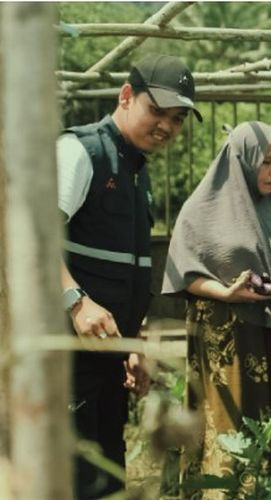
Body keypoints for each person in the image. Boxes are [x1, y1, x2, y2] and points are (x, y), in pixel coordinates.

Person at [162, 121, 271, 493]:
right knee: (234, 436)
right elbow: (185, 270)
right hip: (231, 349)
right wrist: (227, 293)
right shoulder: (202, 209)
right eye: (265, 162)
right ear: (242, 159)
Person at [58, 54, 201, 498]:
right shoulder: (82, 152)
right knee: (72, 477)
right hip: (64, 357)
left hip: (104, 360)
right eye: (156, 111)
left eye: (176, 119)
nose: (166, 126)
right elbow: (26, 238)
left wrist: (133, 343)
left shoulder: (136, 172)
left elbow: (121, 272)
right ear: (126, 95)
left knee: (106, 479)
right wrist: (75, 301)